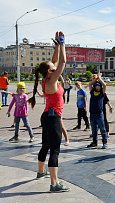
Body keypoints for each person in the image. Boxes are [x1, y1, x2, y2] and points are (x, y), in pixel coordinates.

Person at [28, 31, 70, 192]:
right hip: (53, 119)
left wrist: (57, 46)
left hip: (46, 116)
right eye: (53, 67)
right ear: (50, 71)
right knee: (55, 150)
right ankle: (54, 184)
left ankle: (41, 172)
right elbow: (63, 62)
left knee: (46, 146)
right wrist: (63, 43)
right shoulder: (52, 80)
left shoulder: (46, 79)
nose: (54, 66)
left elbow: (54, 61)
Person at [87, 73, 108, 149]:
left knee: (102, 129)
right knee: (93, 129)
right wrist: (96, 79)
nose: (97, 87)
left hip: (99, 113)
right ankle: (94, 142)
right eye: (96, 86)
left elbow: (105, 85)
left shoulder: (102, 93)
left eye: (98, 86)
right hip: (92, 113)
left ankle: (104, 142)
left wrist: (100, 79)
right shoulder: (92, 92)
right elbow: (90, 84)